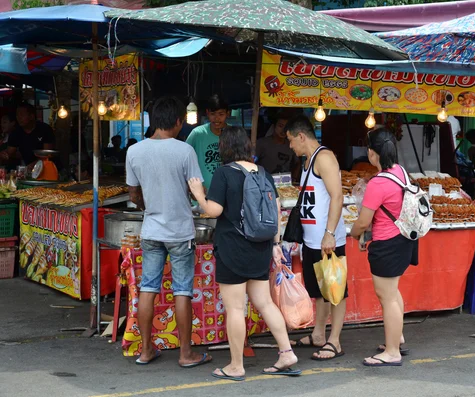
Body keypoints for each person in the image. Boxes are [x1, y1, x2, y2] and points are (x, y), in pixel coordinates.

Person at [188, 126, 300, 381]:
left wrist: (198, 194)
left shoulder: (224, 173)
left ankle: (236, 366)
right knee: (265, 302)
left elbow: (214, 211)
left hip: (233, 249)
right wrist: (275, 244)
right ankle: (286, 352)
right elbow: (276, 209)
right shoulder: (262, 173)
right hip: (260, 247)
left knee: (236, 308)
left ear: (224, 147)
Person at [125, 96, 211, 368]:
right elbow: (198, 190)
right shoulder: (184, 151)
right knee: (182, 290)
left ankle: (146, 350)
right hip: (180, 231)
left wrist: (147, 205)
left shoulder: (134, 151)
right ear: (177, 122)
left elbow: (133, 193)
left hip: (151, 230)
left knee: (148, 288)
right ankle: (186, 354)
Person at [350, 127, 417, 367]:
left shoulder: (378, 183)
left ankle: (391, 352)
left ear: (371, 153)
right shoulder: (400, 172)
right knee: (393, 291)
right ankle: (396, 338)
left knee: (386, 296)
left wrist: (353, 232)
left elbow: (364, 221)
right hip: (403, 240)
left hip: (387, 244)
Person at [285, 115, 347, 361]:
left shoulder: (325, 158)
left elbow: (337, 197)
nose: (290, 146)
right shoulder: (309, 161)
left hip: (327, 239)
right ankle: (318, 334)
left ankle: (335, 341)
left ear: (301, 136)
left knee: (336, 291)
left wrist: (329, 233)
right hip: (312, 240)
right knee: (320, 291)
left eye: (291, 140)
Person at [186, 94, 229, 190]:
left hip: (227, 195)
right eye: (213, 114)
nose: (217, 118)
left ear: (228, 113)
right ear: (207, 113)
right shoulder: (198, 133)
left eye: (221, 114)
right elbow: (183, 160)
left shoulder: (234, 134)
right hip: (202, 196)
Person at [1, 102, 54, 167]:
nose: (18, 117)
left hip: (49, 167)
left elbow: (48, 154)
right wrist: (3, 154)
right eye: (17, 115)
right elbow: (10, 152)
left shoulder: (45, 129)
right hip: (29, 170)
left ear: (31, 116)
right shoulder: (15, 132)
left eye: (22, 115)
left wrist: (34, 165)